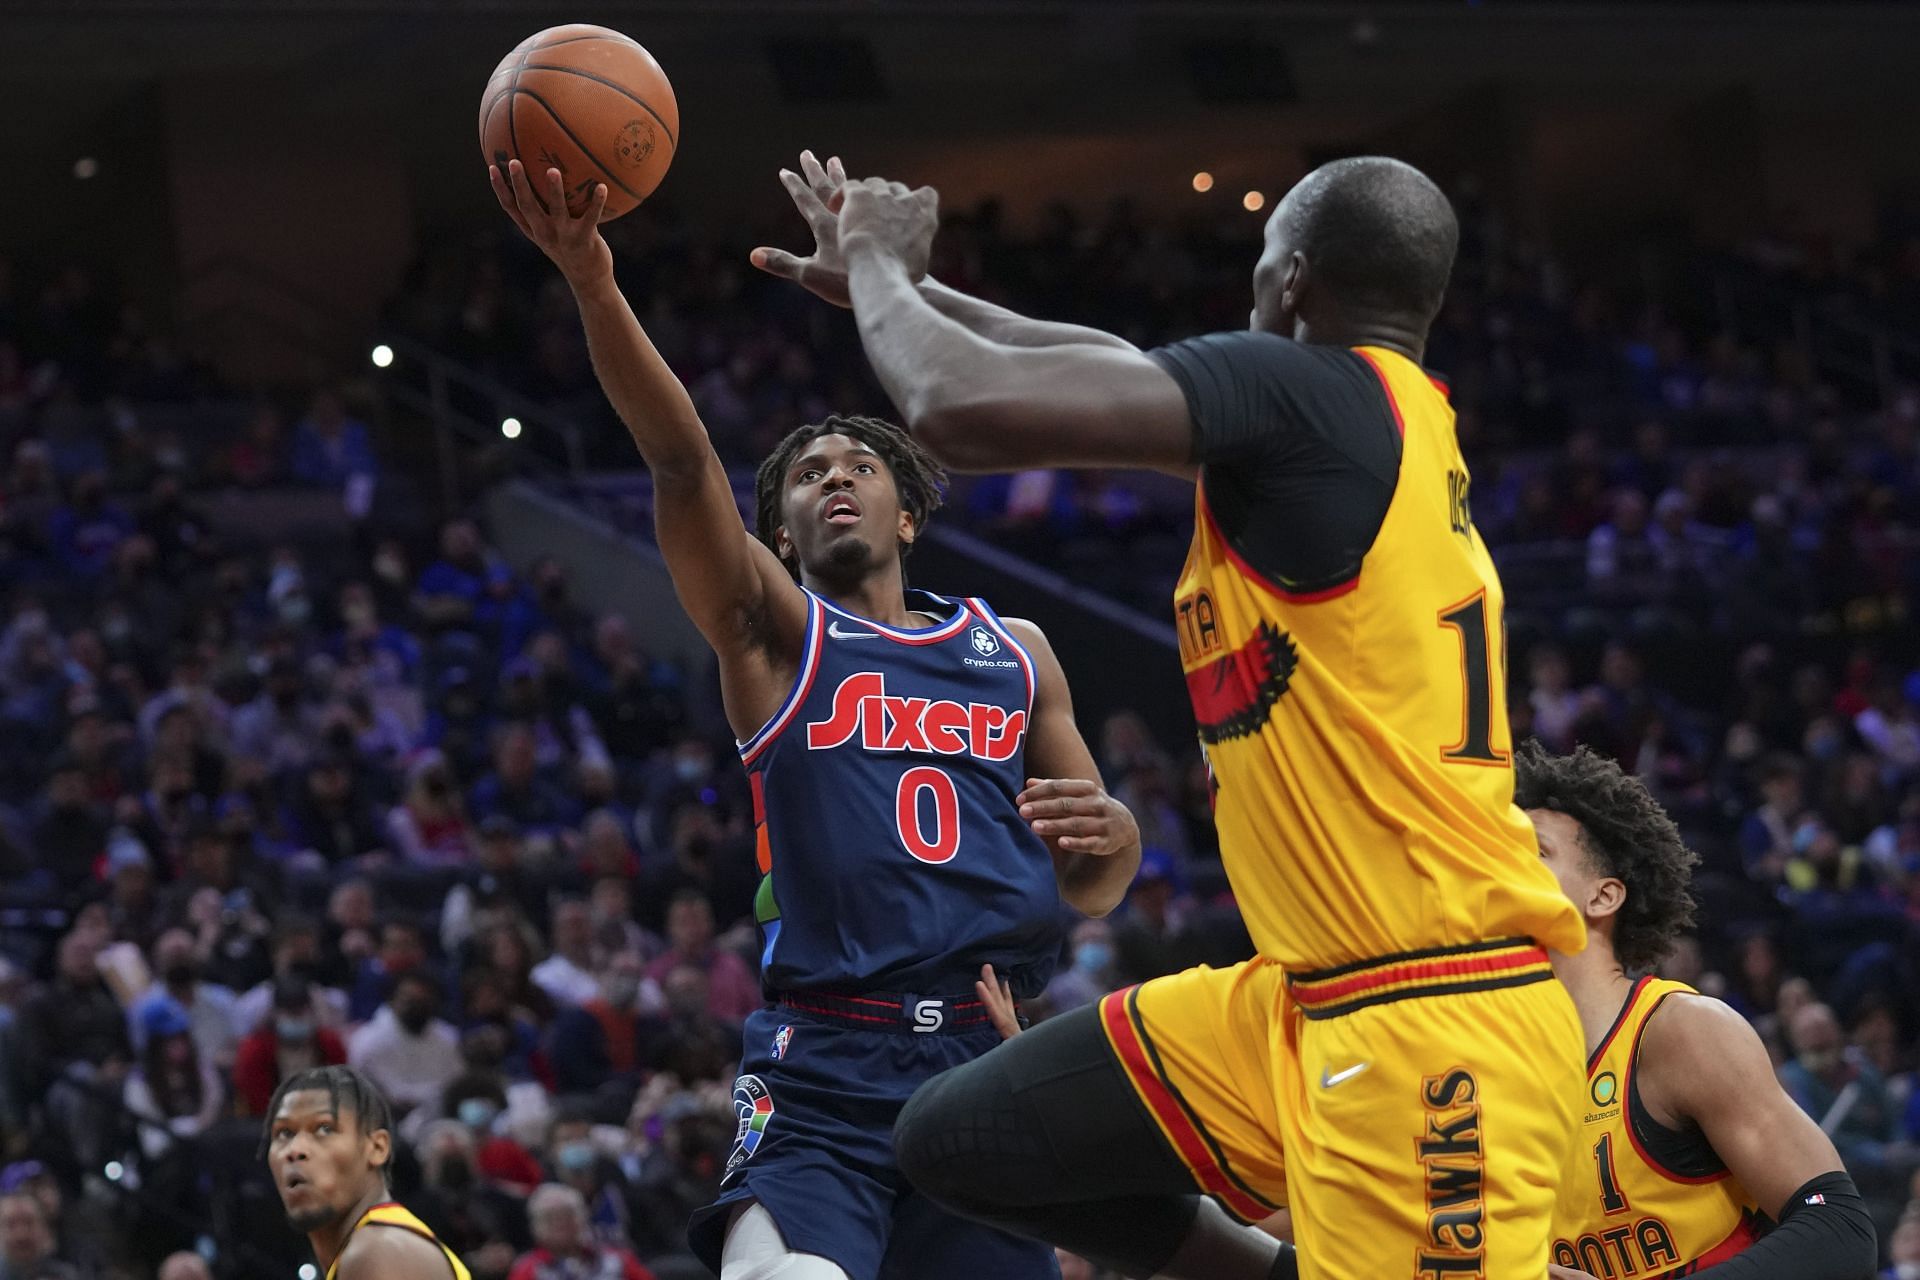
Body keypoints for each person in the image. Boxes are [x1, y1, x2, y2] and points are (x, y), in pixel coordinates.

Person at [761, 151, 1588, 1279]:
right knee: (962, 1137)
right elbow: (1107, 363)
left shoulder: (1310, 399)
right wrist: (903, 290)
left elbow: (952, 405)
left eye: (1255, 271)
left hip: (1430, 1018)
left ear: (1289, 282)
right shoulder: (1384, 420)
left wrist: (875, 260)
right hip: (1301, 993)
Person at [492, 157, 1142, 1280]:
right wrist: (595, 281)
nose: (832, 478)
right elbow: (678, 456)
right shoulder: (776, 635)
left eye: (857, 465)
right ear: (781, 535)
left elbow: (1085, 875)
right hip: (825, 1058)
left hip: (984, 1050)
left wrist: (1120, 844)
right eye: (804, 476)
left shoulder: (1016, 651)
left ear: (908, 505)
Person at [1515, 741, 1876, 1280]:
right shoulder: (1495, 1073)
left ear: (1603, 897)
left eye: (1534, 851)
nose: (1502, 868)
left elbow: (1838, 1230)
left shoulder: (1680, 1033)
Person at [264, 1065, 469, 1279]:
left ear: (377, 1148)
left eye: (324, 1128)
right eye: (284, 1133)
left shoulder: (378, 1251)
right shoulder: (373, 1244)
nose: (295, 1150)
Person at [509, 1183, 655, 1280]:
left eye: (567, 1215)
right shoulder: (528, 1270)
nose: (561, 1223)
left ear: (582, 1220)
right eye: (551, 1218)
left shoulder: (615, 1259)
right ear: (537, 1227)